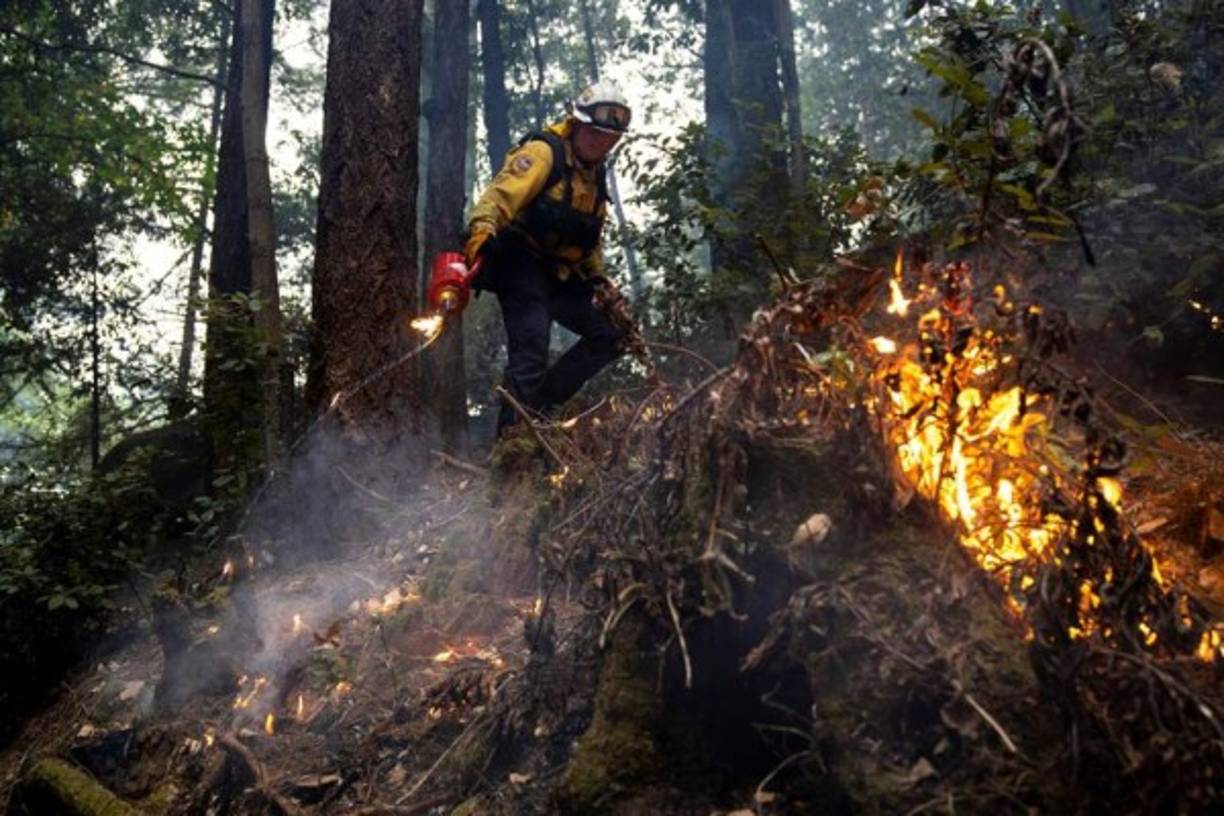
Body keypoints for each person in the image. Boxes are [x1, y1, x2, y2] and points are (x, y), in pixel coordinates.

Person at [465, 80, 633, 435]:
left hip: (563, 274)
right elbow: (497, 199)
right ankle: (511, 449)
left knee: (613, 334)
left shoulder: (595, 177)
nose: (601, 142)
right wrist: (482, 233)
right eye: (595, 134)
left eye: (609, 138)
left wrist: (602, 284)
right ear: (577, 124)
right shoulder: (545, 153)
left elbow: (589, 244)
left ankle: (539, 410)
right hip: (522, 264)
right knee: (530, 353)